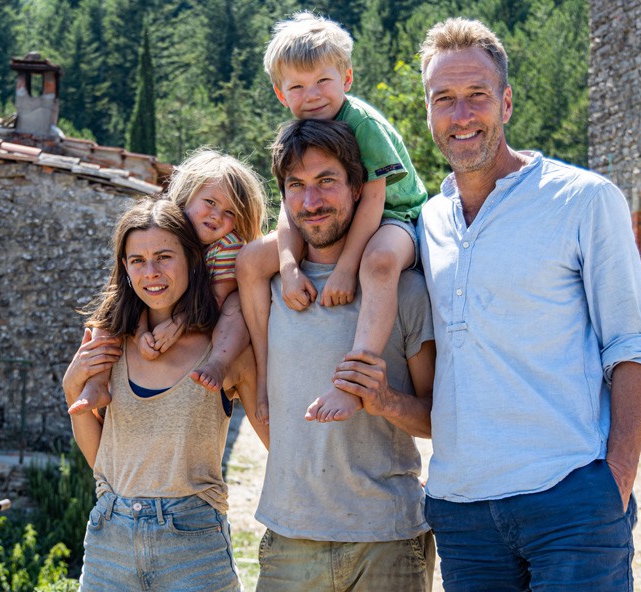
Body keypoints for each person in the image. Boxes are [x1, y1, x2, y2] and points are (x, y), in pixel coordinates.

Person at [416, 17, 641, 591]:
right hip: (461, 510)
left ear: (505, 102)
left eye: (476, 95)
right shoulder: (429, 220)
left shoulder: (583, 200)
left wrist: (615, 482)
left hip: (570, 499)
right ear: (429, 112)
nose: (461, 115)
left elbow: (633, 346)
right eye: (444, 100)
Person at [253, 118, 436, 592]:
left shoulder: (405, 288)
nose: (311, 202)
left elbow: (439, 419)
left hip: (388, 540)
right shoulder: (267, 290)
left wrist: (385, 401)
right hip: (289, 542)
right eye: (297, 186)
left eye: (326, 182)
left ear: (359, 188)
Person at [62, 198, 265, 591]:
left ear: (192, 260)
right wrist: (72, 387)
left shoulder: (224, 350)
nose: (150, 273)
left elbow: (275, 435)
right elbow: (103, 463)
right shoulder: (110, 342)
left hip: (194, 546)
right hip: (109, 541)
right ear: (124, 267)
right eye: (137, 260)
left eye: (163, 257)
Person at [237, 11, 427, 424]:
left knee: (378, 264)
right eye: (298, 86)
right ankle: (266, 374)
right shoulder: (298, 132)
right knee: (251, 261)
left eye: (324, 81)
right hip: (333, 211)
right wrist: (287, 268)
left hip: (397, 214)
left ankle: (355, 378)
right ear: (280, 94)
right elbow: (290, 204)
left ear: (347, 78)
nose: (313, 95)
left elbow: (375, 202)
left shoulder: (364, 126)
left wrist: (345, 270)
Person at [69, 150, 266, 415]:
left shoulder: (228, 245)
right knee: (111, 305)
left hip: (206, 309)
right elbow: (132, 289)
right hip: (159, 304)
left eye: (230, 212)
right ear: (186, 197)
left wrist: (176, 325)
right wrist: (140, 335)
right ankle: (97, 383)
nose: (217, 215)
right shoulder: (163, 229)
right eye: (210, 202)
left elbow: (217, 299)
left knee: (236, 304)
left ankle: (220, 362)